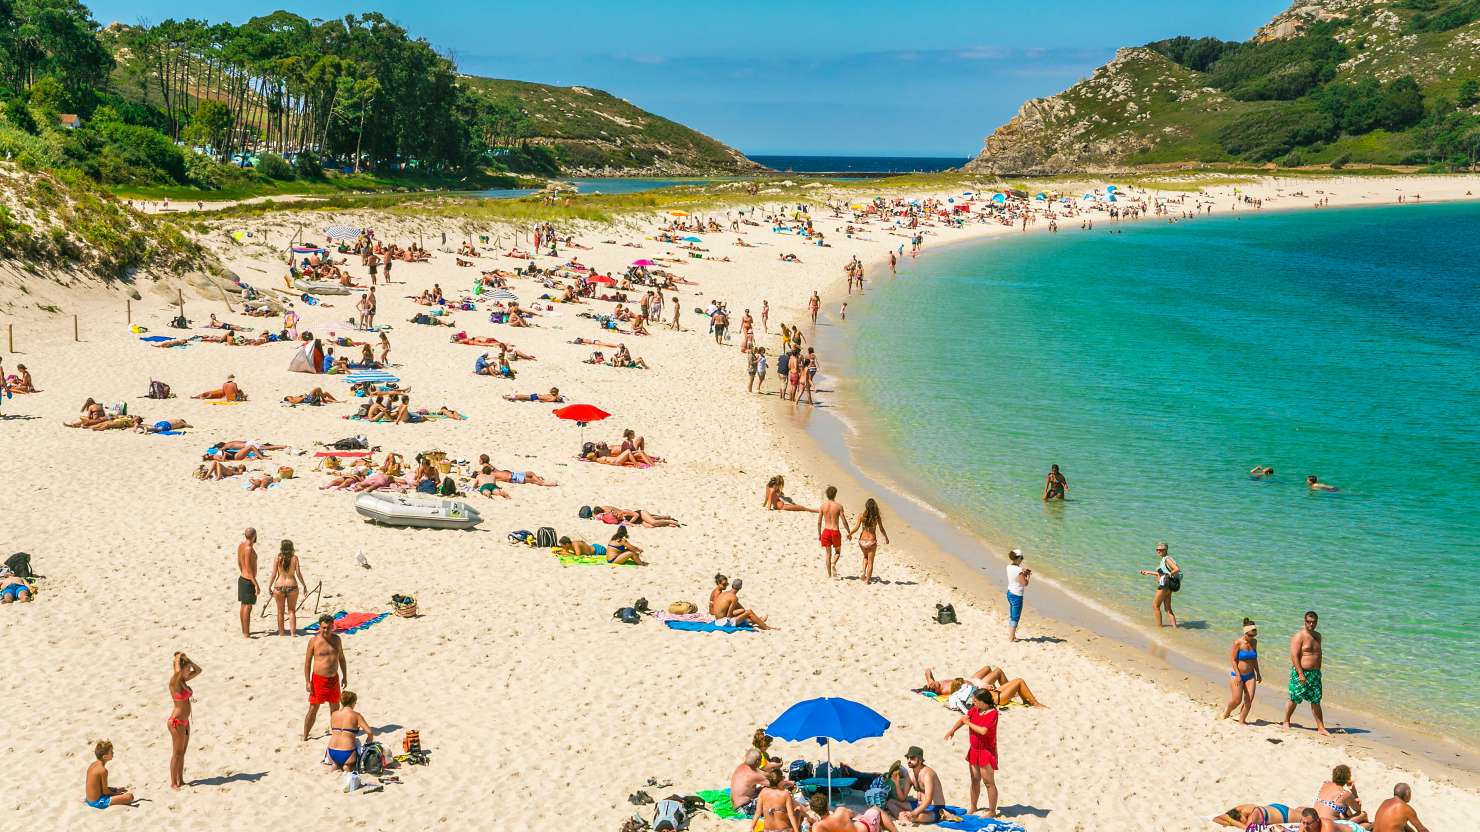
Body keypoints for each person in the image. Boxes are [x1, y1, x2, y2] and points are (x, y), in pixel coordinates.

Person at [946, 688, 1001, 817]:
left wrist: (968, 723)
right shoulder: (976, 709)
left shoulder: (993, 713)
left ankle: (992, 810)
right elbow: (963, 719)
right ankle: (973, 806)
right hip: (974, 750)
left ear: (983, 702)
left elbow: (983, 731)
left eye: (975, 700)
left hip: (986, 751)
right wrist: (952, 730)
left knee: (988, 782)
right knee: (974, 780)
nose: (973, 702)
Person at [303, 612, 348, 740]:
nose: (326, 630)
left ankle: (336, 733)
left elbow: (342, 658)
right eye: (323, 627)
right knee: (313, 708)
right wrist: (307, 681)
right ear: (319, 627)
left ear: (333, 626)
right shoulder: (314, 641)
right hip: (318, 680)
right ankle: (305, 735)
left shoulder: (337, 639)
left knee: (335, 708)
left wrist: (345, 676)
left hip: (334, 679)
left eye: (328, 627)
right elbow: (307, 662)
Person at [1283, 611, 1329, 735]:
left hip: (1315, 674)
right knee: (1294, 698)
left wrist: (1318, 671)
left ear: (1317, 622)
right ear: (1305, 621)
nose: (1311, 624)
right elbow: (1294, 656)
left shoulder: (1318, 636)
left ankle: (1320, 727)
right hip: (1301, 672)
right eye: (1308, 621)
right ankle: (1286, 721)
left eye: (1313, 622)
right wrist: (1300, 674)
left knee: (1316, 700)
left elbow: (1318, 654)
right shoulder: (1299, 636)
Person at [167, 652, 201, 790]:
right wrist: (178, 658)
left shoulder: (183, 681)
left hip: (185, 721)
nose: (189, 672)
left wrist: (190, 662)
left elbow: (199, 670)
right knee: (176, 752)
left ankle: (180, 780)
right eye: (187, 670)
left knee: (182, 752)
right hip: (176, 722)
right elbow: (177, 671)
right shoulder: (175, 682)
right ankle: (173, 783)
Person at [1221, 619, 1262, 724]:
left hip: (1250, 675)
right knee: (1236, 700)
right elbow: (1233, 660)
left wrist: (1258, 673)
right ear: (1245, 633)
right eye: (1251, 636)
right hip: (1237, 675)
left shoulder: (1254, 642)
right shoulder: (1238, 643)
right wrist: (1238, 675)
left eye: (1254, 635)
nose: (1253, 638)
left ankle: (1242, 720)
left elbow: (1254, 659)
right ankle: (1228, 711)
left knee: (1249, 699)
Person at [326, 690, 374, 771]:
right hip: (347, 752)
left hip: (331, 751)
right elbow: (369, 732)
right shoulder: (356, 715)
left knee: (335, 764)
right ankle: (347, 767)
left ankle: (335, 765)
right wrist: (368, 742)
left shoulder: (334, 714)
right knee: (347, 766)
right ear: (353, 702)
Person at [896, 746, 944, 823]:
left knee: (916, 816)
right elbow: (902, 798)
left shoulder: (927, 774)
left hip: (935, 809)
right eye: (907, 758)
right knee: (891, 802)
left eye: (912, 758)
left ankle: (904, 817)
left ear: (920, 760)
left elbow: (928, 800)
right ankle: (904, 816)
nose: (909, 760)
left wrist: (914, 813)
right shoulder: (910, 775)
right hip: (918, 806)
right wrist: (896, 782)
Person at [269, 540, 307, 637]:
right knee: (292, 611)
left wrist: (269, 586)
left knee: (280, 611)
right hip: (292, 586)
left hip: (279, 586)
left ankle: (281, 633)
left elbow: (273, 574)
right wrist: (304, 585)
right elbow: (298, 574)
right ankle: (293, 633)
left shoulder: (277, 558)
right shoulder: (295, 558)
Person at [848, 498, 890, 585]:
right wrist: (886, 537)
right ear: (875, 507)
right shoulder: (876, 517)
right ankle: (867, 580)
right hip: (871, 542)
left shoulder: (861, 516)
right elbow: (881, 529)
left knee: (865, 556)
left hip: (862, 541)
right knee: (870, 561)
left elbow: (856, 528)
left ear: (866, 506)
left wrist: (850, 534)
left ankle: (863, 572)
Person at [1137, 542, 1179, 627]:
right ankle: (1175, 629)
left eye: (1161, 549)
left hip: (1165, 585)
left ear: (1165, 550)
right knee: (1168, 609)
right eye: (1157, 549)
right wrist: (1148, 572)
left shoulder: (1167, 559)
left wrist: (1168, 575)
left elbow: (1176, 569)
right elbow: (1164, 573)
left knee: (1155, 606)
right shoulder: (1165, 559)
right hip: (1169, 585)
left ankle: (1159, 628)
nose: (1158, 551)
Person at [84, 740, 135, 809]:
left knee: (118, 790)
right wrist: (116, 793)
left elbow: (99, 786)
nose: (113, 753)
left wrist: (115, 789)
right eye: (111, 752)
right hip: (97, 802)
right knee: (129, 797)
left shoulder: (92, 765)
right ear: (105, 757)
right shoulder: (103, 770)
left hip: (89, 798)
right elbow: (105, 791)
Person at [818, 486, 849, 578]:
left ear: (827, 495)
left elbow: (819, 522)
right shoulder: (839, 506)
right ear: (835, 494)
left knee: (828, 554)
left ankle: (829, 575)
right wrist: (849, 532)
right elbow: (844, 521)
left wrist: (819, 533)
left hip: (826, 531)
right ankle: (834, 563)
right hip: (835, 531)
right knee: (838, 552)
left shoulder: (823, 506)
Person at [729, 748, 768, 816]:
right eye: (761, 759)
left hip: (736, 805)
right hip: (744, 809)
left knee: (761, 789)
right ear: (757, 761)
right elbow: (774, 783)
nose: (762, 761)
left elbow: (762, 772)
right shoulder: (753, 775)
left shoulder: (742, 767)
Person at [237, 528, 258, 638]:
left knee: (244, 605)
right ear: (254, 536)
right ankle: (246, 633)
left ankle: (244, 631)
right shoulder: (249, 549)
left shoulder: (241, 545)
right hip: (248, 580)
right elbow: (249, 569)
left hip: (242, 578)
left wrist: (243, 572)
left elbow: (239, 562)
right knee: (247, 607)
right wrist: (256, 584)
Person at [1213, 803, 1306, 828]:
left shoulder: (1254, 816)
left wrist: (1232, 822)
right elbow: (1215, 819)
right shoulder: (1240, 808)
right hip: (1272, 809)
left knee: (1305, 818)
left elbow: (1247, 829)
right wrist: (1229, 820)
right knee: (1298, 810)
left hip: (1284, 815)